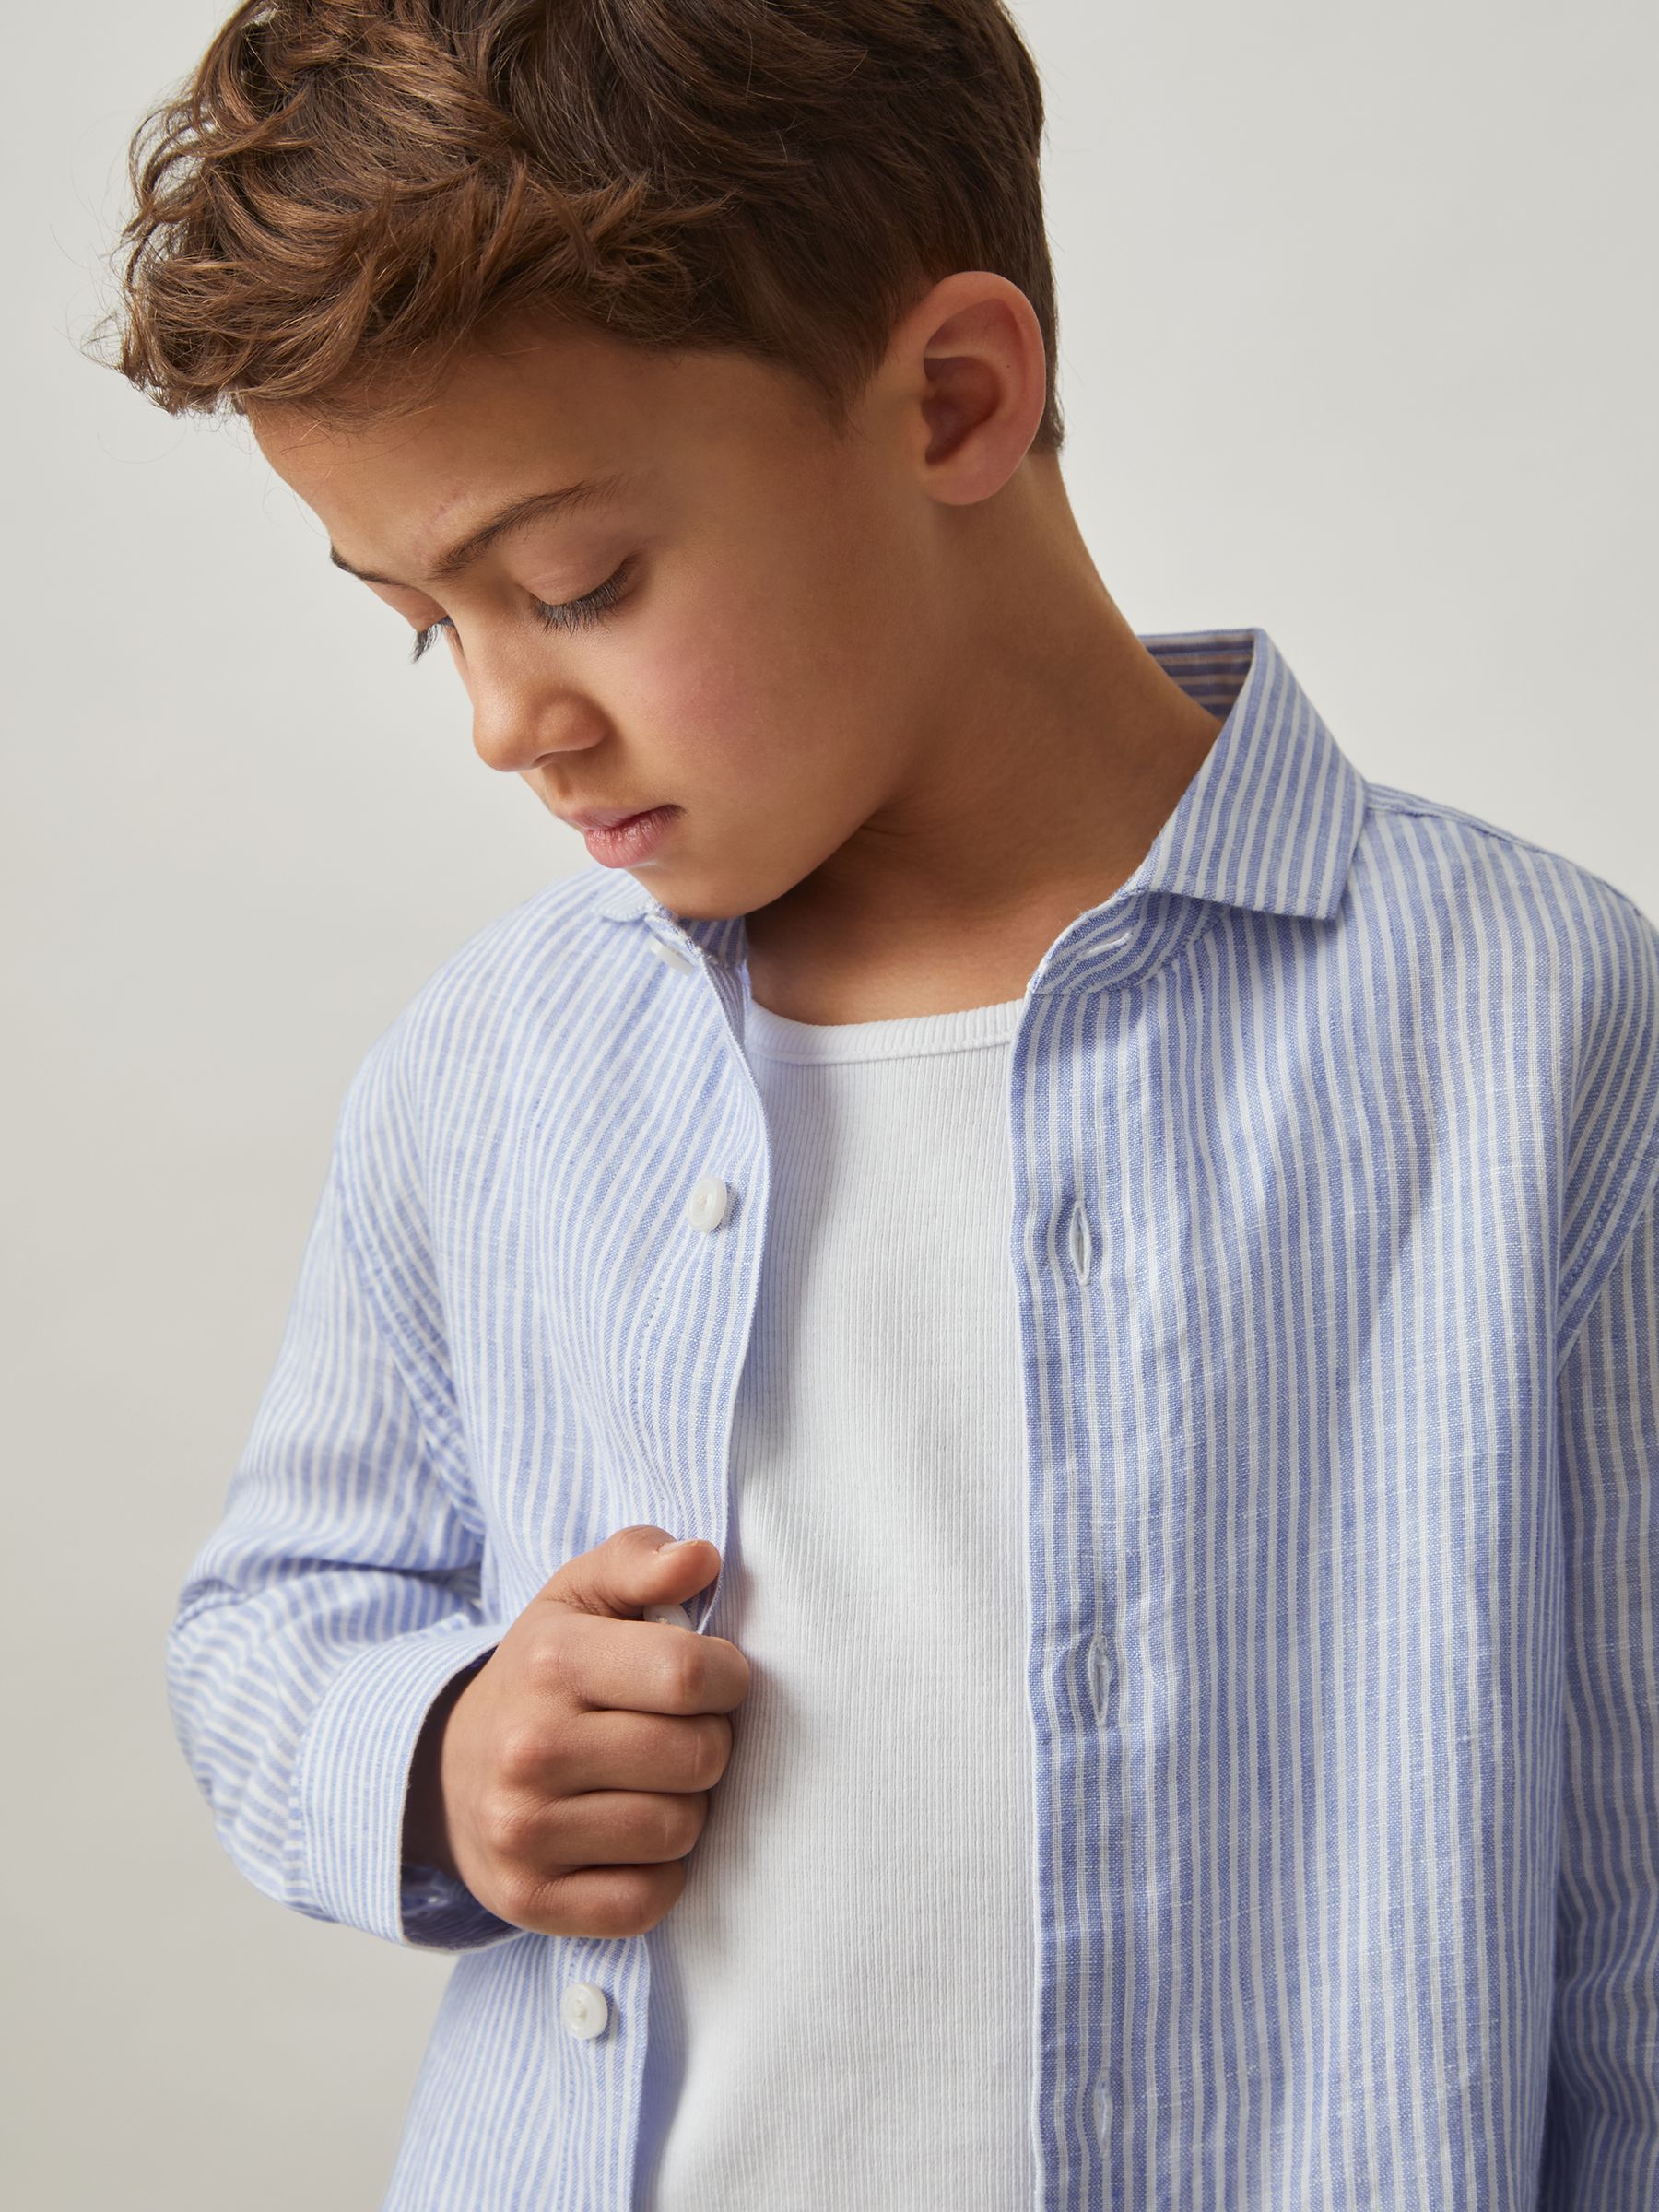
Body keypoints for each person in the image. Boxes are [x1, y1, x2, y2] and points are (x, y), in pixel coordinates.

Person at [98, 4, 1657, 2208]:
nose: (504, 719)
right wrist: (440, 1754)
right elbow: (276, 1615)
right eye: (424, 622)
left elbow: (1632, 1916)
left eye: (573, 585)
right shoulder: (496, 1070)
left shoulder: (1530, 1034)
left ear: (951, 399)